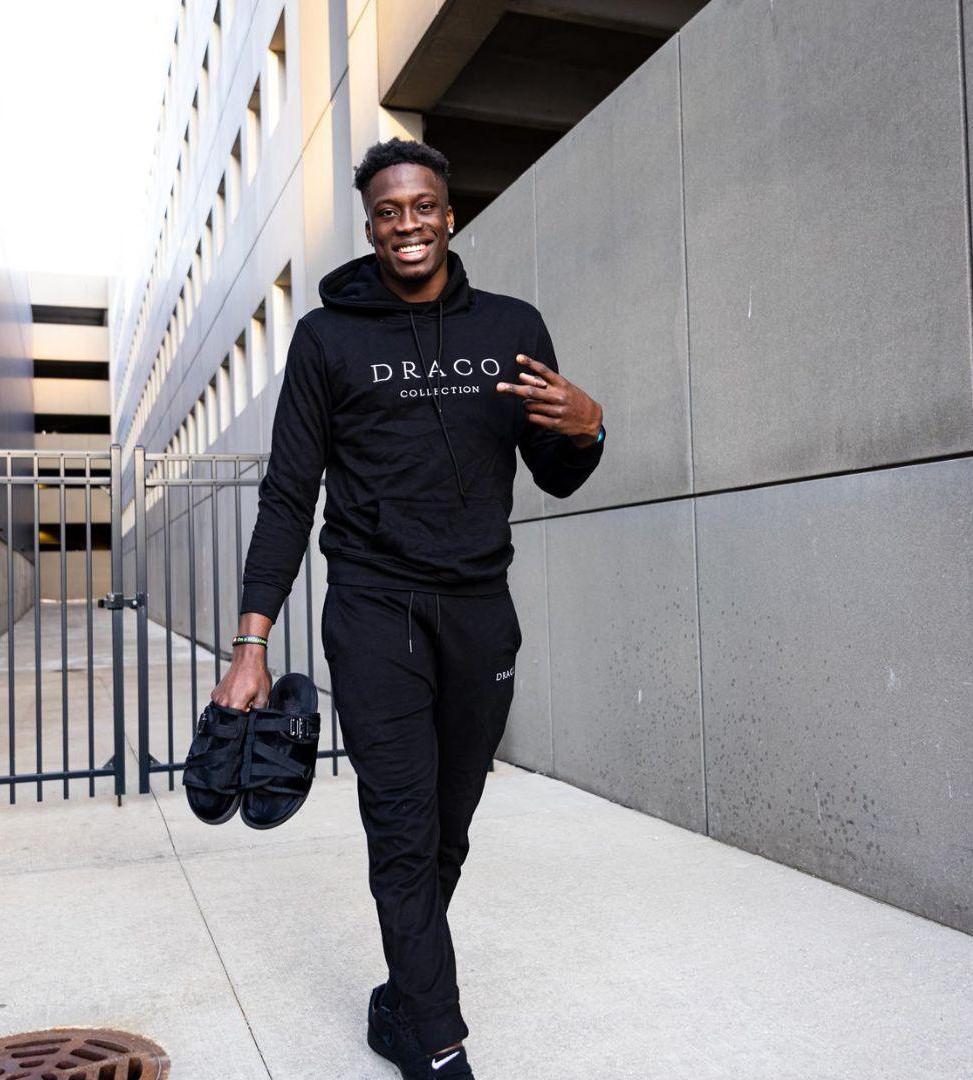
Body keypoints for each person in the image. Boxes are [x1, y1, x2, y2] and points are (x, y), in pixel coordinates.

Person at [210, 137, 605, 1079]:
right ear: (371, 228)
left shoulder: (512, 327)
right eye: (388, 212)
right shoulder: (327, 339)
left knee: (446, 829)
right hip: (374, 609)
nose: (408, 225)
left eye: (423, 206)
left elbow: (555, 474)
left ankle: (399, 1002)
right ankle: (438, 1041)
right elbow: (288, 495)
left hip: (479, 611)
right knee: (400, 822)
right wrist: (251, 642)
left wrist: (591, 427)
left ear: (449, 215)